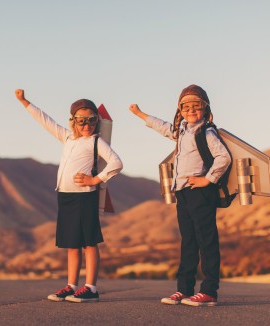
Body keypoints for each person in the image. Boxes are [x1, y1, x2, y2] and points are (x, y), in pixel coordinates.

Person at [15, 89, 123, 303]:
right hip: (65, 196)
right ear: (73, 121)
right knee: (72, 243)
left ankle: (91, 287)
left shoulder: (95, 141)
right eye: (81, 120)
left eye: (91, 120)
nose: (86, 125)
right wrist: (24, 101)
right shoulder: (67, 137)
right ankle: (71, 285)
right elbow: (45, 120)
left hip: (85, 196)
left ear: (96, 122)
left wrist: (95, 179)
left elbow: (116, 162)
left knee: (89, 243)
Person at [128, 84, 231, 306]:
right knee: (189, 242)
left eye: (197, 106)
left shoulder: (207, 131)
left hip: (201, 193)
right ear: (179, 109)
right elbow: (163, 126)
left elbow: (224, 157)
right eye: (186, 106)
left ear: (205, 108)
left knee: (207, 242)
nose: (191, 110)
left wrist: (208, 179)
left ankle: (209, 292)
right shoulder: (181, 131)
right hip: (183, 193)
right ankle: (184, 290)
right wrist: (140, 114)